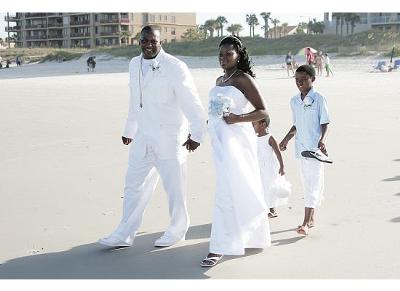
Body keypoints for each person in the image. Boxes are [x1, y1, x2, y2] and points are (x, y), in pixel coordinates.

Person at [98, 26, 207, 248]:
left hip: (170, 137)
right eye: (144, 41)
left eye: (153, 41)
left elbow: (192, 101)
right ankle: (124, 233)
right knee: (133, 186)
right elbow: (134, 99)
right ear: (139, 41)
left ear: (161, 42)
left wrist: (197, 134)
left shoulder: (176, 67)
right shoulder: (133, 64)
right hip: (143, 137)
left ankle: (177, 230)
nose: (148, 45)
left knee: (174, 189)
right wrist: (129, 130)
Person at [201, 35, 271, 267]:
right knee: (237, 188)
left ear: (238, 55)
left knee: (226, 190)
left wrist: (238, 118)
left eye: (228, 54)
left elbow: (263, 111)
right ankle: (252, 235)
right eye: (220, 54)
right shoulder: (220, 79)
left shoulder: (243, 79)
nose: (223, 58)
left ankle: (218, 247)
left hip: (238, 143)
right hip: (220, 142)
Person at [279, 65, 330, 236]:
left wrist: (322, 140)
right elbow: (296, 124)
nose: (299, 82)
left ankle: (306, 222)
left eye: (303, 79)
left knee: (312, 185)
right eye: (297, 80)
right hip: (300, 148)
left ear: (312, 79)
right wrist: (286, 139)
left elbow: (325, 122)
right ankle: (312, 217)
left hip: (315, 149)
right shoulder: (294, 101)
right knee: (307, 183)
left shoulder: (319, 98)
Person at [252, 117, 291, 218]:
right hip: (259, 166)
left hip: (270, 167)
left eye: (254, 124)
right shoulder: (254, 137)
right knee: (260, 186)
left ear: (263, 124)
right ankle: (263, 208)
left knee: (269, 187)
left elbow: (278, 153)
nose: (252, 126)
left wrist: (282, 166)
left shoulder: (269, 137)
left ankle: (272, 209)